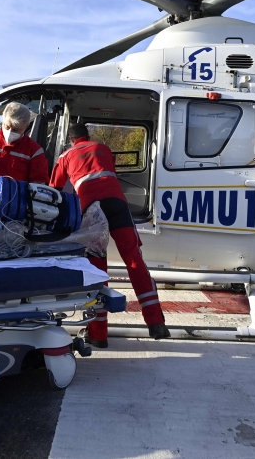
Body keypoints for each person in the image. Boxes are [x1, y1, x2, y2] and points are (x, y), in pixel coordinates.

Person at [50, 123, 170, 347]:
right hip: (117, 203)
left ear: (71, 139)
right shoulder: (103, 148)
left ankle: (98, 334)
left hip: (90, 208)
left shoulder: (66, 155)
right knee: (134, 259)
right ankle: (156, 323)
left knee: (96, 268)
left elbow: (54, 190)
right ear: (87, 136)